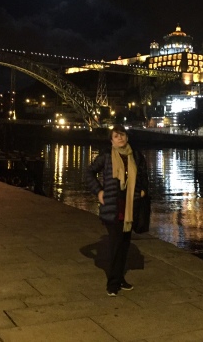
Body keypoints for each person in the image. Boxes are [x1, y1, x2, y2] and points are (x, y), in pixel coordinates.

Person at [85, 124, 148, 296]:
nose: (120, 138)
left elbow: (143, 174)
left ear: (127, 137)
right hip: (113, 207)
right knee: (116, 244)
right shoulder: (106, 156)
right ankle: (112, 283)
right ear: (111, 140)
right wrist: (98, 191)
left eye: (122, 135)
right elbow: (89, 173)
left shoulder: (135, 155)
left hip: (130, 207)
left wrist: (142, 189)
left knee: (124, 245)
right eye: (116, 136)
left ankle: (120, 278)